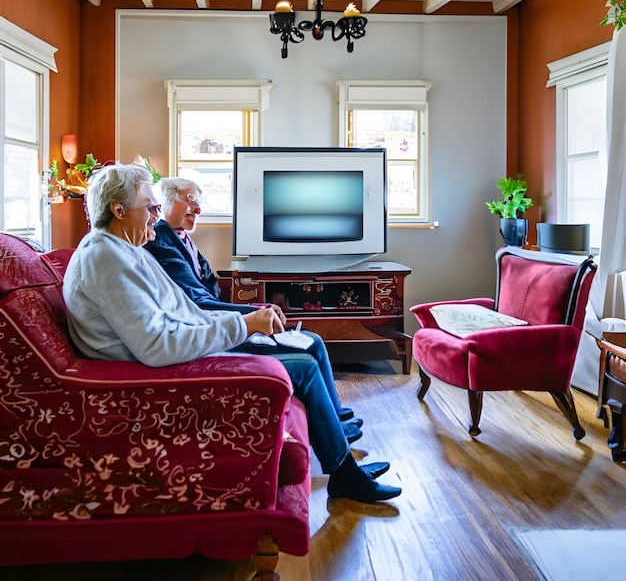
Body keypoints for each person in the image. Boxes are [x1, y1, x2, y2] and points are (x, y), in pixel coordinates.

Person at [63, 163, 401, 503]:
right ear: (118, 210)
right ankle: (345, 474)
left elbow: (184, 314)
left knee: (303, 353)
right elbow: (157, 345)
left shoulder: (122, 251)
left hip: (172, 356)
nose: (155, 214)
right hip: (156, 373)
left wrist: (242, 328)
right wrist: (243, 325)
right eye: (149, 206)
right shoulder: (104, 257)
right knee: (304, 365)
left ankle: (343, 466)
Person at [144, 176, 363, 443]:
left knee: (313, 341)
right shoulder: (161, 243)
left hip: (218, 320)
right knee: (310, 343)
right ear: (165, 201)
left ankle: (336, 419)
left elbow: (207, 288)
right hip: (212, 331)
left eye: (199, 202)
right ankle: (334, 429)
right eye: (190, 200)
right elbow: (197, 301)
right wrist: (253, 313)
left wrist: (255, 308)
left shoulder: (182, 239)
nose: (198, 209)